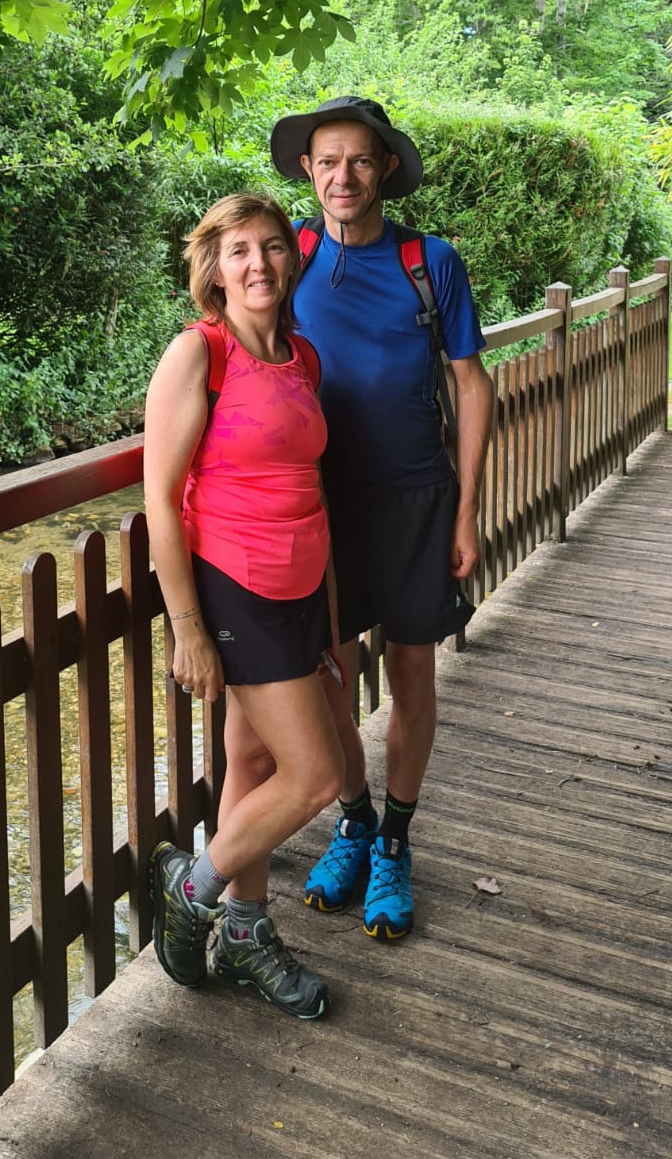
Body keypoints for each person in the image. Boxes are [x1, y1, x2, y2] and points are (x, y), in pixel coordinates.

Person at [268, 95, 494, 941]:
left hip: (416, 499)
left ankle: (396, 839)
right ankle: (354, 820)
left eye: (359, 160)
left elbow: (472, 384)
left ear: (385, 168)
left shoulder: (427, 262)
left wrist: (467, 510)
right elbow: (241, 354)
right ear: (306, 170)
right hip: (321, 506)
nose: (343, 176)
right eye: (327, 161)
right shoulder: (284, 255)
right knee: (329, 667)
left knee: (411, 674)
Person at [144, 192, 345, 1019]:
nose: (257, 263)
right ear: (214, 272)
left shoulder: (302, 357)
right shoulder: (199, 355)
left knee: (255, 766)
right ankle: (190, 892)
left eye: (270, 247)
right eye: (238, 251)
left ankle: (246, 933)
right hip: (237, 584)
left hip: (300, 587)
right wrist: (188, 626)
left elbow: (311, 487)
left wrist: (332, 622)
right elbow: (160, 498)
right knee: (318, 776)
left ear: (290, 261)